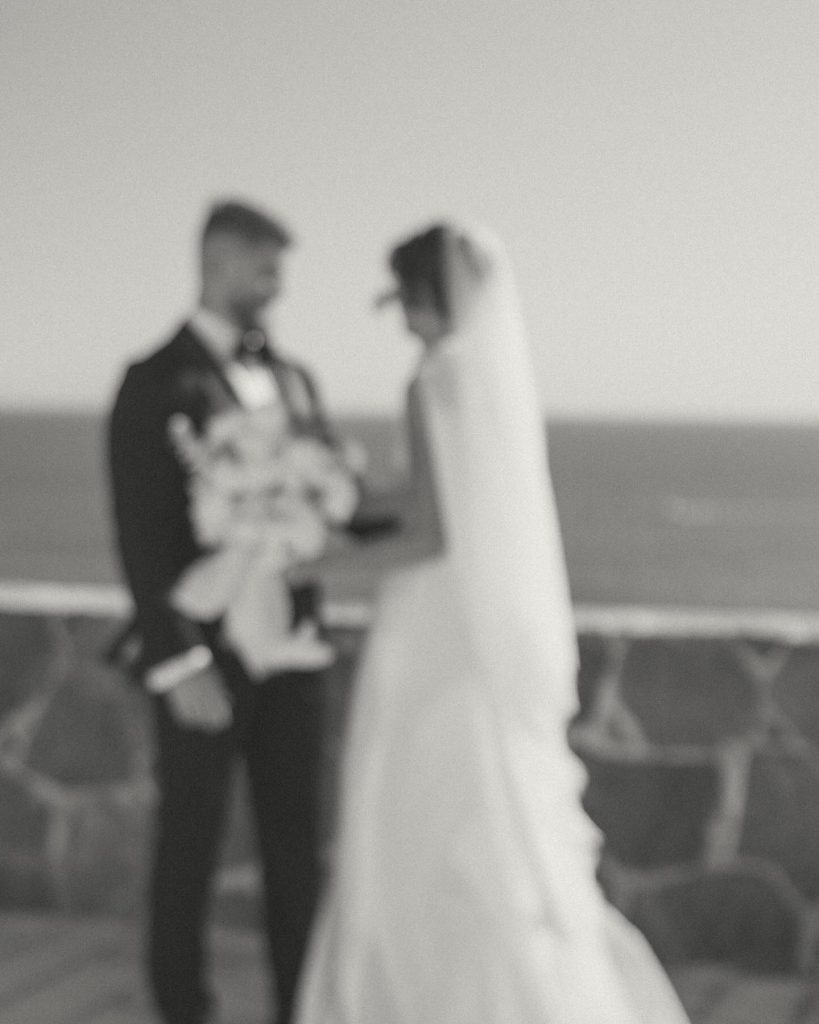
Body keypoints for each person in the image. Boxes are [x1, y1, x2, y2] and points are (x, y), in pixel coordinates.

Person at [293, 223, 691, 1023]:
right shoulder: (486, 374)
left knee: (410, 817)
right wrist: (340, 496)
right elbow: (453, 508)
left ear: (422, 294)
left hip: (430, 631)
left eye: (402, 296)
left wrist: (312, 560)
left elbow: (429, 532)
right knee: (486, 827)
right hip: (475, 632)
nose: (400, 315)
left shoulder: (434, 376)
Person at [107, 199, 352, 1024]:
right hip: (204, 655)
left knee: (296, 849)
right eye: (263, 267)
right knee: (191, 844)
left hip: (293, 652)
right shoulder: (154, 382)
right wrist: (178, 662)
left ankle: (300, 1007)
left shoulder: (294, 378)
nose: (276, 285)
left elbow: (327, 504)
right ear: (216, 263)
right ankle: (183, 1010)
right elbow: (140, 534)